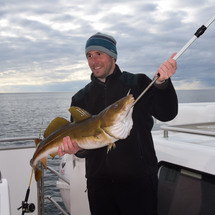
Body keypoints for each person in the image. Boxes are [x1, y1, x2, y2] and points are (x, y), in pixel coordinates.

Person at [58, 32, 178, 215]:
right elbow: (83, 147)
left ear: (112, 55)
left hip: (139, 185)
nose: (94, 61)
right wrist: (76, 149)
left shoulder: (138, 84)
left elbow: (167, 113)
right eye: (89, 55)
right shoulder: (80, 98)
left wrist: (162, 83)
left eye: (99, 54)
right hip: (100, 188)